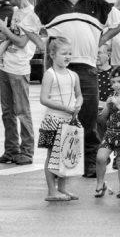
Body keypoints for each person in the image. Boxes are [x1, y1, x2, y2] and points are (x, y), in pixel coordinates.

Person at [36, 0, 120, 178]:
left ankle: (90, 164)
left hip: (87, 67)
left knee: (88, 117)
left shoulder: (97, 4)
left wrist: (99, 40)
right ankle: (61, 165)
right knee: (60, 116)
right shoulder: (48, 4)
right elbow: (27, 26)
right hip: (59, 68)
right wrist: (43, 45)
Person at [0, 0, 42, 166]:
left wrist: (6, 31)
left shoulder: (32, 15)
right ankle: (11, 150)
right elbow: (11, 36)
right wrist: (2, 32)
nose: (8, 1)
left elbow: (21, 42)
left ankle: (27, 152)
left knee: (22, 111)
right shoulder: (16, 11)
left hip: (19, 68)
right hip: (6, 64)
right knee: (7, 112)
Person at [38, 36, 82, 202]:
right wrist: (65, 108)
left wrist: (78, 104)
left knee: (66, 155)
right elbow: (44, 99)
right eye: (64, 53)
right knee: (52, 156)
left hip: (69, 121)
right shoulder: (50, 75)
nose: (68, 56)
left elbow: (79, 95)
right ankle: (52, 190)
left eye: (70, 53)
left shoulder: (73, 75)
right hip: (54, 120)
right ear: (52, 55)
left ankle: (62, 188)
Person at [95, 65, 120, 199]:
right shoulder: (112, 96)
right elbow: (103, 117)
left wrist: (118, 105)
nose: (116, 85)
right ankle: (100, 184)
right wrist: (107, 106)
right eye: (113, 82)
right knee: (100, 157)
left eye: (119, 81)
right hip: (110, 133)